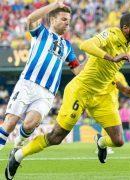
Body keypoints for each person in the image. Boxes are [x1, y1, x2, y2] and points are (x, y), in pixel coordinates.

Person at [5, 12, 130, 179]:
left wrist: (125, 89)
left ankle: (100, 142)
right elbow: (86, 45)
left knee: (118, 141)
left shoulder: (127, 45)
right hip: (80, 90)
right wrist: (111, 57)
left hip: (102, 95)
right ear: (125, 28)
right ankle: (18, 155)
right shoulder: (112, 34)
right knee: (56, 137)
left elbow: (109, 72)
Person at [0, 0, 85, 153]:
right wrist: (54, 5)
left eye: (69, 21)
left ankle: (18, 146)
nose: (67, 24)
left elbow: (77, 70)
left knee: (29, 124)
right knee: (10, 122)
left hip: (47, 93)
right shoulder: (41, 33)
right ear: (53, 19)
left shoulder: (67, 46)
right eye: (64, 19)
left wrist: (95, 58)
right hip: (27, 83)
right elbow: (30, 19)